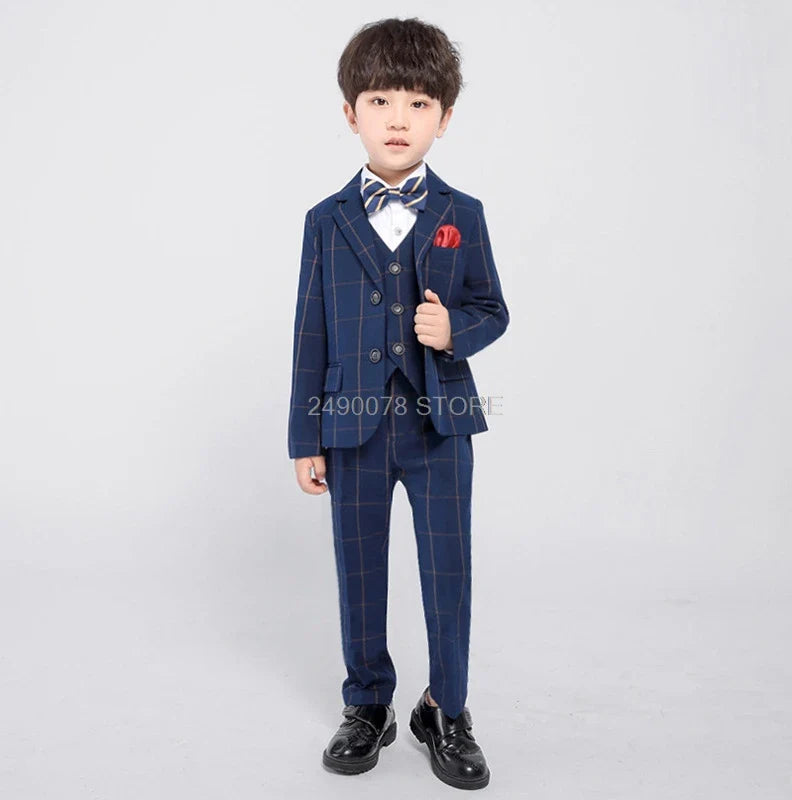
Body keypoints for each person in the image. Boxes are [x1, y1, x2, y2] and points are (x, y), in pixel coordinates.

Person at [287, 17, 510, 791]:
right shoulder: (325, 222)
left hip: (438, 425)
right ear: (350, 112)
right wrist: (304, 437)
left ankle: (446, 707)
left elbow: (492, 308)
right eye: (380, 100)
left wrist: (455, 332)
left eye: (418, 103)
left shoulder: (462, 213)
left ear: (443, 118)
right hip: (351, 430)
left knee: (449, 568)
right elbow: (309, 333)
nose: (397, 119)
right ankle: (367, 703)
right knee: (359, 569)